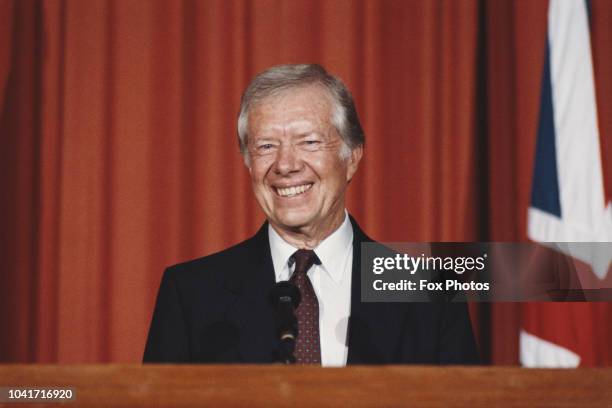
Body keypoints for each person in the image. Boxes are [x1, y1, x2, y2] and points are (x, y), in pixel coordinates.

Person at [143, 64, 479, 366]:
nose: (286, 165)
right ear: (248, 162)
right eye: (266, 146)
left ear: (352, 157)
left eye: (309, 142)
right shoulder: (191, 294)